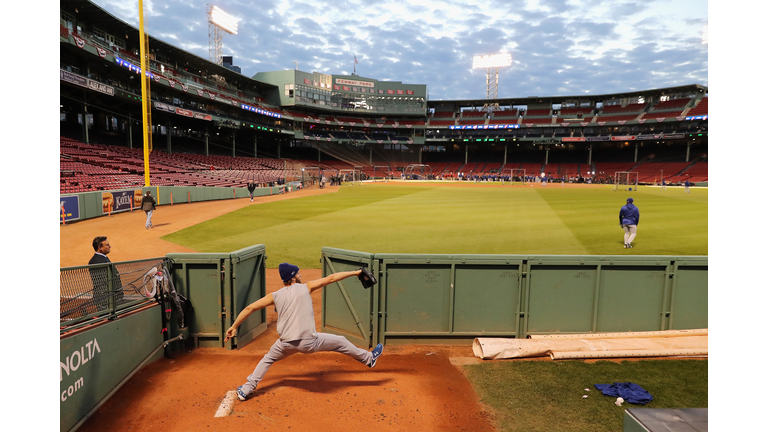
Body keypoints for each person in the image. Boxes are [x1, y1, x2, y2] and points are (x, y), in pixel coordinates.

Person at [226, 263, 384, 402]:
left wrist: (234, 326)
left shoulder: (274, 296)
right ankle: (369, 359)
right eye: (298, 273)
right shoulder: (306, 287)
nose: (301, 275)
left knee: (267, 359)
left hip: (285, 344)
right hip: (309, 343)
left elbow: (250, 308)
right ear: (293, 278)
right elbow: (331, 278)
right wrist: (355, 273)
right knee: (341, 341)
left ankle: (246, 389)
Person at [88, 236, 123, 309]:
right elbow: (106, 280)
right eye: (107, 245)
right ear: (100, 248)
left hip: (109, 297)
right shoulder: (97, 261)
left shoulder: (102, 258)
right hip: (105, 298)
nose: (110, 246)